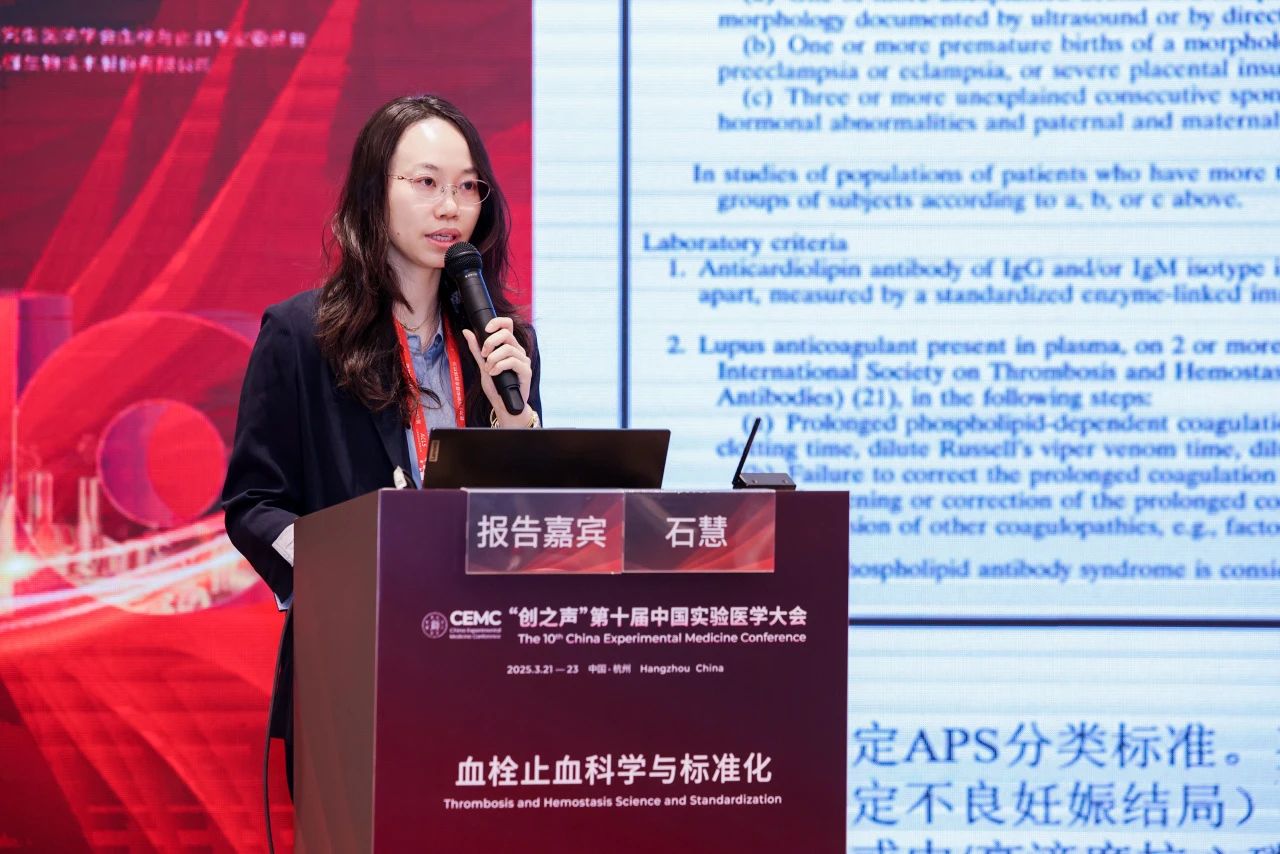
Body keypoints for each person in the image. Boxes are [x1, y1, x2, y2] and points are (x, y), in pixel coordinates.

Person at [220, 94, 541, 794]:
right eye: (426, 182)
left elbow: (528, 526)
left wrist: (514, 422)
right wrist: (343, 564)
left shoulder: (503, 344)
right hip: (351, 672)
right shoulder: (302, 336)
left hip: (485, 670)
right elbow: (253, 504)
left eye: (468, 187)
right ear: (374, 192)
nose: (450, 206)